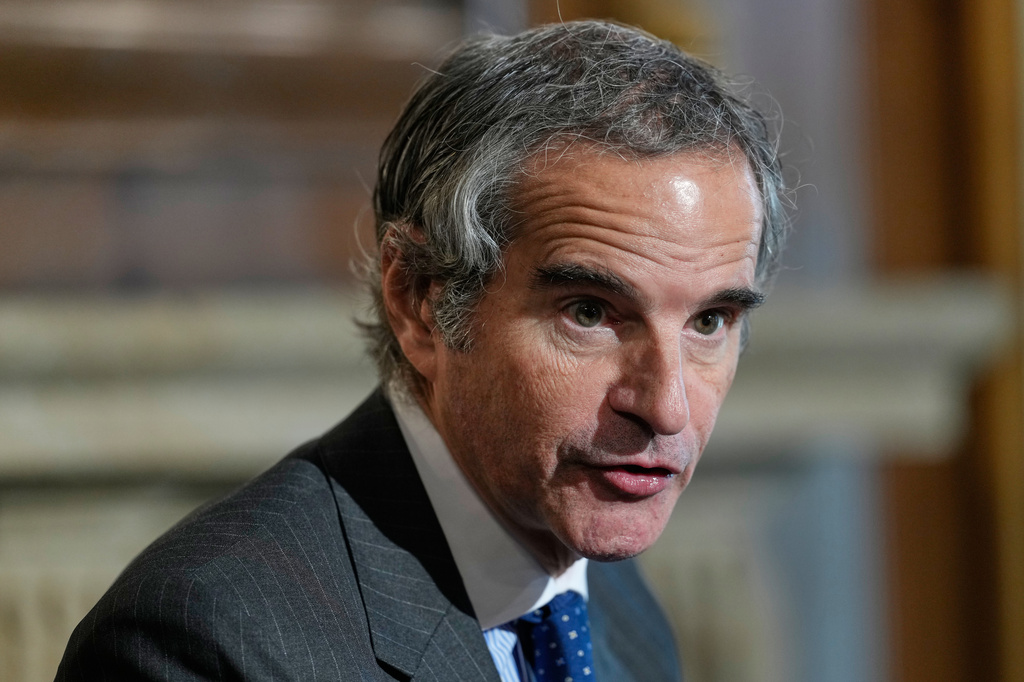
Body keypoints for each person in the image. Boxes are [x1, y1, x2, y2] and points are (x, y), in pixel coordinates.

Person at [57, 19, 787, 682]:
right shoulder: (205, 641)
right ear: (419, 300)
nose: (667, 406)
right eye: (591, 312)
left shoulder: (615, 604)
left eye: (710, 323)